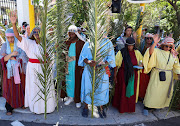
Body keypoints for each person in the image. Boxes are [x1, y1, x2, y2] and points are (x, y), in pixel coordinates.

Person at [10, 11, 56, 114]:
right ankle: (36, 108)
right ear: (32, 34)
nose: (36, 33)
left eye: (38, 31)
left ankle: (48, 108)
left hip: (44, 68)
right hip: (33, 68)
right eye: (34, 32)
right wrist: (13, 23)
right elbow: (17, 36)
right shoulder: (29, 43)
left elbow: (51, 56)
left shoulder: (46, 44)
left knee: (46, 87)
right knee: (34, 88)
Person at [78, 36, 116, 118]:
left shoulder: (107, 43)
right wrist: (88, 61)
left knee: (101, 89)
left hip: (102, 71)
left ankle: (100, 107)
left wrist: (102, 64)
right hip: (89, 70)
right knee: (88, 87)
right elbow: (83, 57)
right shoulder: (88, 42)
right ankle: (86, 107)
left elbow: (111, 58)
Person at [143, 35, 180, 116]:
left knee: (162, 93)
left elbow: (176, 66)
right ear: (163, 45)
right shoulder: (157, 51)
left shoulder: (173, 55)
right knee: (153, 90)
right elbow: (150, 52)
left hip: (168, 76)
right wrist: (154, 43)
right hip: (157, 74)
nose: (168, 48)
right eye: (166, 46)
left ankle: (158, 106)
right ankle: (146, 107)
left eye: (170, 47)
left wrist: (178, 73)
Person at [0, 28, 28, 115]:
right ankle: (9, 107)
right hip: (9, 71)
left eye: (12, 37)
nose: (10, 39)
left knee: (20, 86)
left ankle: (22, 103)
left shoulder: (19, 44)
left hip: (19, 70)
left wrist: (9, 57)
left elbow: (23, 56)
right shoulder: (4, 45)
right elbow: (3, 59)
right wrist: (12, 54)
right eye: (8, 38)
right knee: (10, 88)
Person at [113, 37, 143, 113]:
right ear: (126, 45)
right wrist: (115, 76)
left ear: (134, 45)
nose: (130, 47)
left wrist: (140, 65)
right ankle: (122, 108)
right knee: (122, 90)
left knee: (131, 91)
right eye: (128, 45)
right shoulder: (121, 52)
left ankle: (130, 108)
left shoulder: (137, 52)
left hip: (133, 75)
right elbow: (116, 64)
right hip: (123, 74)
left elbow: (141, 61)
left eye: (131, 45)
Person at [60, 25, 85, 108]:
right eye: (69, 33)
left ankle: (77, 99)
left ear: (76, 33)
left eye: (73, 33)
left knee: (77, 82)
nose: (71, 34)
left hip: (77, 66)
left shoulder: (81, 43)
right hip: (68, 66)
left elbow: (84, 55)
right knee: (69, 82)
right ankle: (70, 97)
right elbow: (62, 53)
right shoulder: (66, 42)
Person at [138, 33, 154, 99]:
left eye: (150, 38)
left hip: (149, 67)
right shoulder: (142, 47)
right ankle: (139, 96)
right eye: (147, 38)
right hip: (142, 67)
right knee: (140, 82)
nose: (149, 40)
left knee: (147, 83)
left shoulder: (154, 48)